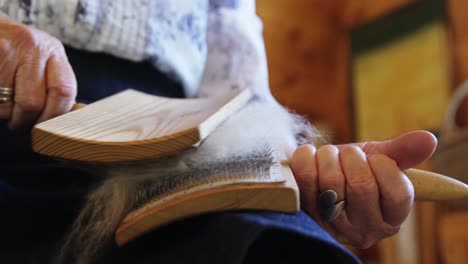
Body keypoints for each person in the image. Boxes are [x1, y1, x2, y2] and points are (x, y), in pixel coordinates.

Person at [0, 1, 437, 263]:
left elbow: (241, 95)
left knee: (276, 246)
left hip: (164, 156)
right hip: (12, 109)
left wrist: (299, 183)